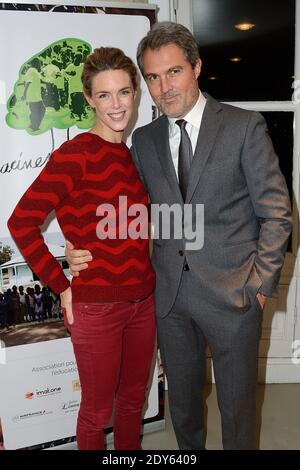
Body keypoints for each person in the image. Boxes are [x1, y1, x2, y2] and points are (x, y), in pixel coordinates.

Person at [66, 23, 292, 450]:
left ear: (197, 68)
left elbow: (278, 214)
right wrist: (76, 245)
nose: (164, 87)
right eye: (152, 77)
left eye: (173, 72)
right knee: (184, 411)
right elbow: (125, 213)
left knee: (238, 410)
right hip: (168, 300)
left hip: (235, 297)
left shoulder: (243, 127)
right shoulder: (143, 141)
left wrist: (260, 286)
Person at [7, 47, 156, 450]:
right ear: (89, 99)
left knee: (130, 404)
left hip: (143, 303)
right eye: (104, 95)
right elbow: (21, 222)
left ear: (135, 92)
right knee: (95, 413)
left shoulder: (132, 154)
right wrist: (62, 284)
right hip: (96, 309)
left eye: (124, 92)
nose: (116, 105)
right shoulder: (74, 155)